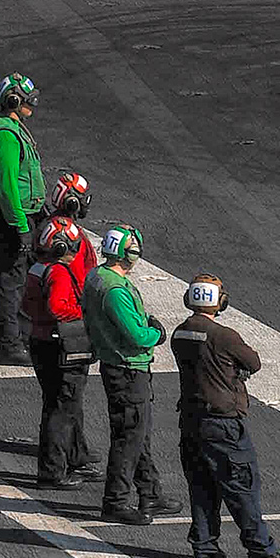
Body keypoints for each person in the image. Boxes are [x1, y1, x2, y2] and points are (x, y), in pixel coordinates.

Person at [171, 275, 280, 558]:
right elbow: (253, 362)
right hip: (223, 423)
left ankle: (204, 547)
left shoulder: (180, 333)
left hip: (191, 419)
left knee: (201, 487)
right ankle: (260, 549)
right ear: (219, 302)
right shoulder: (224, 335)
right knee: (242, 487)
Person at [86, 224, 181, 525]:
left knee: (139, 434)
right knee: (129, 436)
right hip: (128, 369)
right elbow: (137, 336)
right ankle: (116, 500)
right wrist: (156, 333)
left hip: (118, 367)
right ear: (130, 255)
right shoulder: (115, 290)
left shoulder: (98, 277)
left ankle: (150, 492)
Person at [0, 73, 45, 366]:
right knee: (10, 281)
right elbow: (6, 186)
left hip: (21, 214)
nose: (33, 103)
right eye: (28, 99)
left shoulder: (13, 127)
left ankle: (24, 337)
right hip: (10, 218)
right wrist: (20, 226)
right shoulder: (5, 134)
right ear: (14, 101)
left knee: (23, 278)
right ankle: (11, 345)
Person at [23, 218, 98, 488]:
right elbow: (58, 307)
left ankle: (68, 459)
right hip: (58, 345)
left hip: (40, 341)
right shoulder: (57, 272)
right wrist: (85, 313)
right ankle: (53, 470)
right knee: (61, 409)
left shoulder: (37, 268)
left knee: (57, 405)